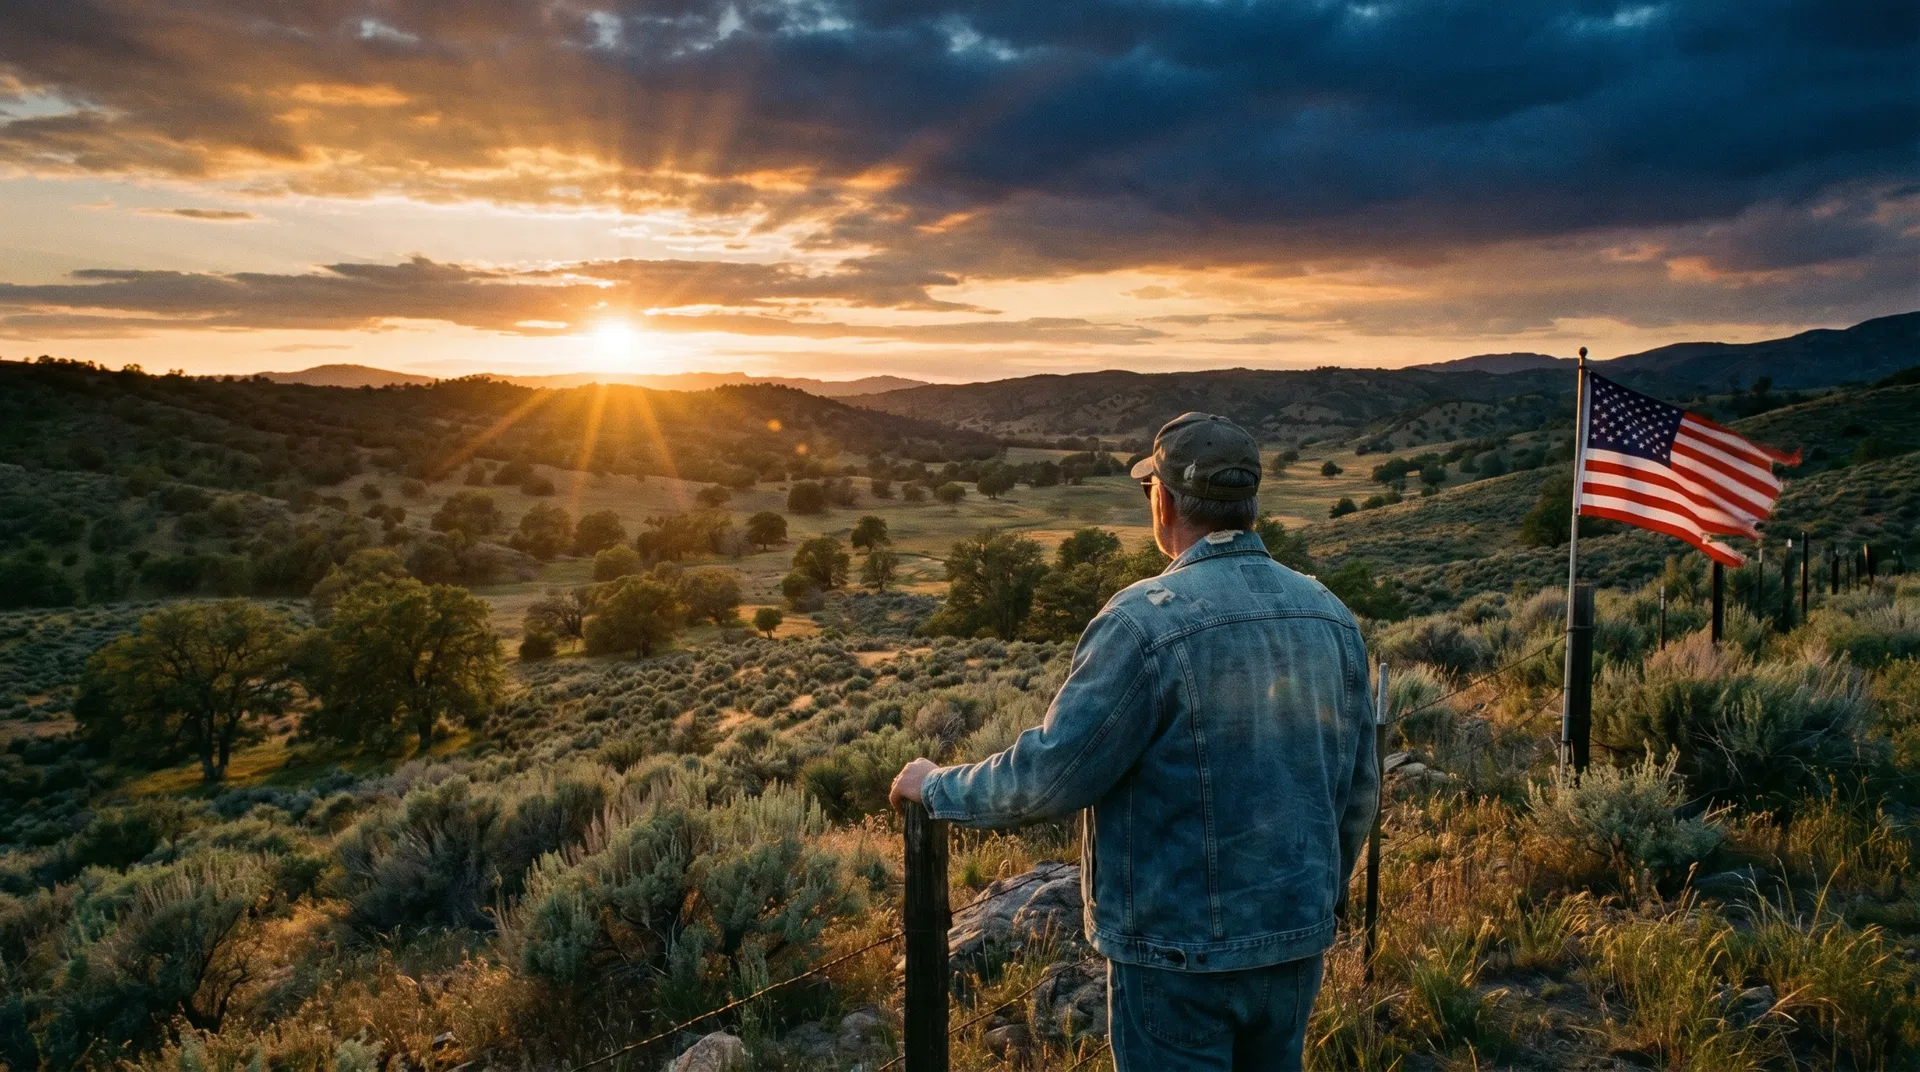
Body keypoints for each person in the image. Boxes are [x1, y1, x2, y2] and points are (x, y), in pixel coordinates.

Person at [890, 412, 1378, 1071]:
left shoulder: (1142, 622)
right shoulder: (1329, 614)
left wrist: (935, 786)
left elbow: (1050, 776)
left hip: (1177, 954)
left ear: (1165, 501)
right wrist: (1318, 900)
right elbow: (1358, 788)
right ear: (1250, 503)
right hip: (1293, 940)